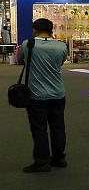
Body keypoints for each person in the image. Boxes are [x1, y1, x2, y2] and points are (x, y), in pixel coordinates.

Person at [18, 18, 69, 173]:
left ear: (34, 30)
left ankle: (42, 162)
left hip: (36, 94)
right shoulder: (61, 46)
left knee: (39, 129)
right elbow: (61, 63)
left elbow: (21, 60)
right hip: (58, 93)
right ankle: (59, 158)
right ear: (51, 30)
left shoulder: (27, 44)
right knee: (58, 127)